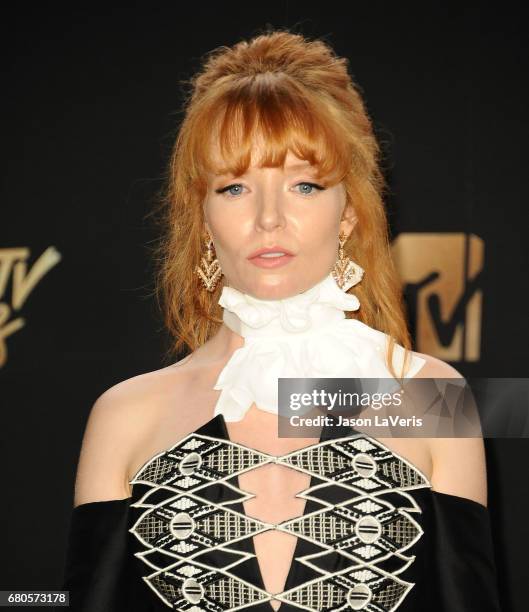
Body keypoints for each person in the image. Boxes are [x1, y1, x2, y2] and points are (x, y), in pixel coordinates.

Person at [60, 29, 501, 611]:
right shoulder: (125, 416)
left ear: (348, 214)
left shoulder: (434, 398)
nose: (269, 218)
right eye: (236, 186)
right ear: (203, 216)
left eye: (304, 185)